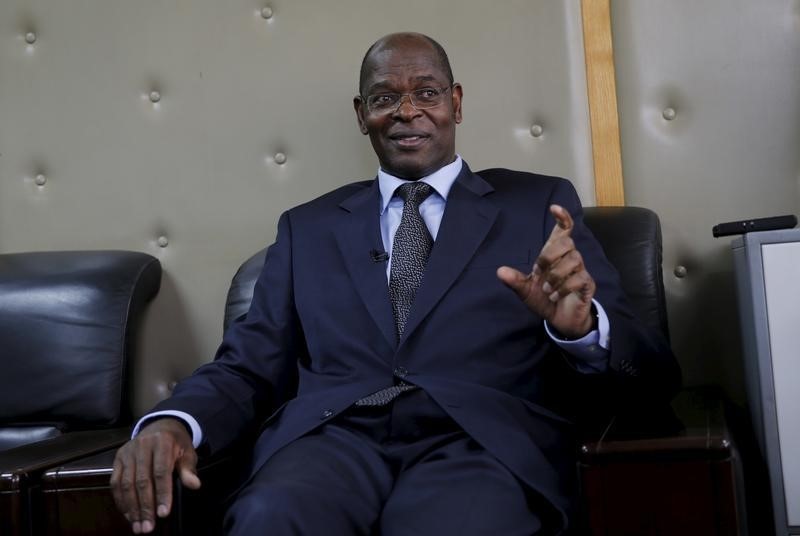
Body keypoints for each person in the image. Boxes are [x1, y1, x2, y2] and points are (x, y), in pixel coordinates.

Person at [111, 32, 680, 535]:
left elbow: (653, 372)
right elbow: (247, 365)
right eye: (385, 98)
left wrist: (581, 331)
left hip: (478, 445)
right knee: (268, 518)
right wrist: (171, 421)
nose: (408, 112)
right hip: (333, 445)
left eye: (427, 92)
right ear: (363, 114)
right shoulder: (307, 228)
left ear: (455, 103)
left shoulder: (536, 207)